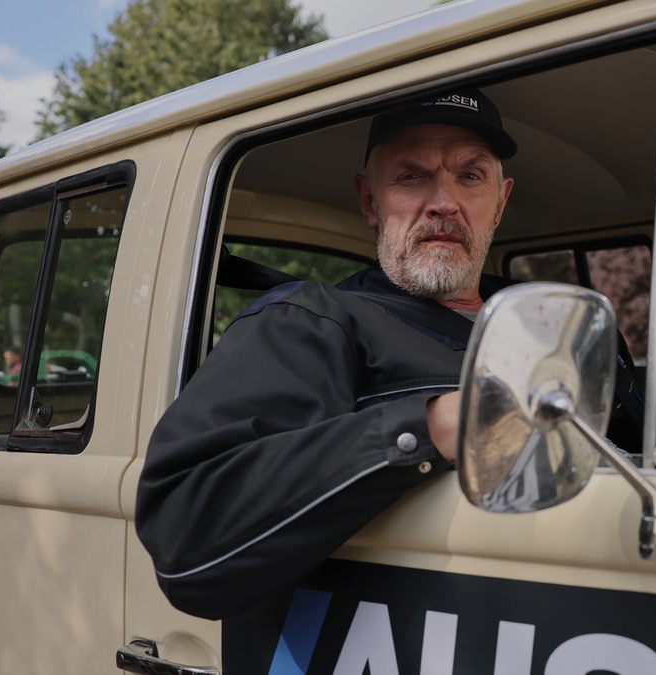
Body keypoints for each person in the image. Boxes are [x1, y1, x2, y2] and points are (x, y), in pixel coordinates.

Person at [136, 89, 519, 620]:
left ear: (499, 203)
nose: (444, 202)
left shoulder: (558, 322)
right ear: (369, 202)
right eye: (411, 176)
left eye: (471, 176)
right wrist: (435, 426)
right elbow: (186, 538)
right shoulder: (312, 322)